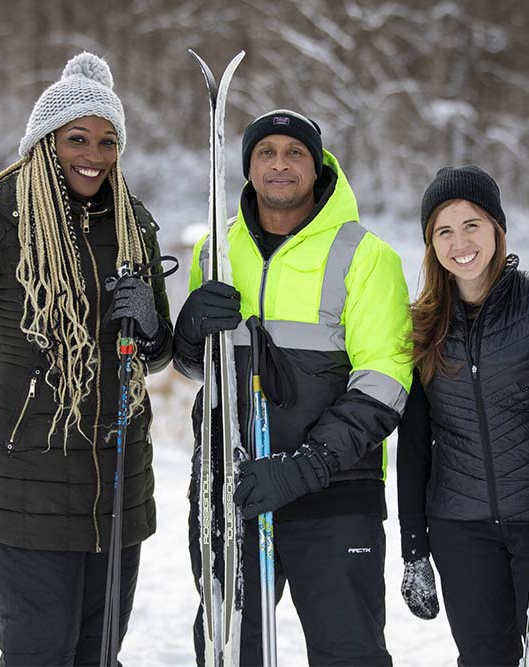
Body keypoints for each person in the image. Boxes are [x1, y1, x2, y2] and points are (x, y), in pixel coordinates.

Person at [0, 52, 172, 666]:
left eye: (106, 141)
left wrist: (151, 326)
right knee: (37, 653)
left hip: (118, 475)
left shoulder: (132, 219)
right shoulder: (8, 208)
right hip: (31, 477)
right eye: (77, 138)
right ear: (47, 140)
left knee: (100, 653)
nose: (93, 155)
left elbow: (155, 354)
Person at [172, 109, 413, 666]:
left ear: (318, 164)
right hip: (229, 487)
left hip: (332, 494)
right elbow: (196, 368)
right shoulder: (214, 251)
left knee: (347, 653)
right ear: (249, 167)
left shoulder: (367, 256)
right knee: (228, 651)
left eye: (294, 152)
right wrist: (188, 333)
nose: (280, 164)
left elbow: (385, 380)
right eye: (265, 153)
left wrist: (303, 467)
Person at [396, 166, 529, 666]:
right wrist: (414, 550)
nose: (460, 242)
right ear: (431, 245)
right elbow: (412, 446)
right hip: (459, 529)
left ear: (497, 227)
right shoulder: (424, 324)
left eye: (471, 224)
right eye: (443, 231)